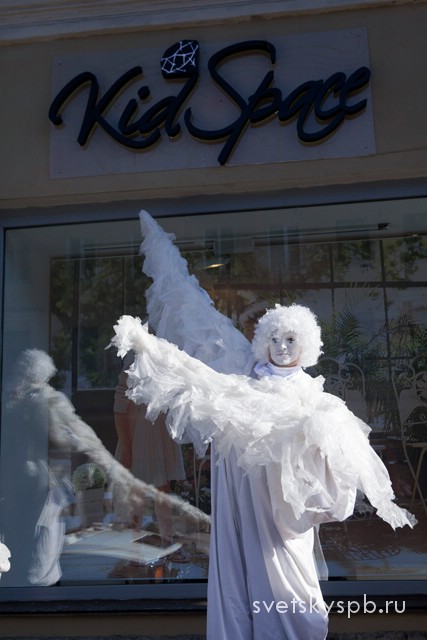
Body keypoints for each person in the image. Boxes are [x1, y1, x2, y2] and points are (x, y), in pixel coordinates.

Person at [109, 211, 416, 640]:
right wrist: (148, 343)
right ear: (262, 341)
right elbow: (197, 365)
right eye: (274, 338)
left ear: (306, 346)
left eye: (291, 340)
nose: (282, 347)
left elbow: (337, 457)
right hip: (240, 498)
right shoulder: (243, 376)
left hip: (281, 509)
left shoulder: (312, 395)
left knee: (292, 588)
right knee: (241, 578)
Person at [0, 348, 209, 587]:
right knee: (43, 536)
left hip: (30, 482)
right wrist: (108, 451)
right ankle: (36, 584)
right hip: (42, 480)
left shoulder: (18, 402)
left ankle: (30, 581)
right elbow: (73, 437)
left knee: (37, 533)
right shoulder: (40, 402)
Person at [114, 349, 186, 544]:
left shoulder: (163, 370)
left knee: (162, 489)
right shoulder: (131, 371)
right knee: (137, 489)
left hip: (159, 436)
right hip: (139, 437)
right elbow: (119, 410)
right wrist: (126, 446)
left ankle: (166, 539)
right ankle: (134, 542)